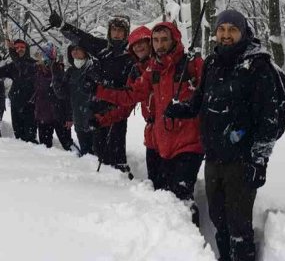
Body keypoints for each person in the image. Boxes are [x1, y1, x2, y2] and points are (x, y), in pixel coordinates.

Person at [165, 10, 285, 261]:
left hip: (241, 162)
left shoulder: (257, 66)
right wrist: (181, 109)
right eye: (221, 29)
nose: (225, 34)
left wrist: (259, 161)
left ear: (243, 32)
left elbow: (268, 121)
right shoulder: (212, 62)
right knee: (218, 219)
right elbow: (200, 101)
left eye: (232, 30)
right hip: (213, 158)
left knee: (239, 226)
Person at [95, 21, 203, 223]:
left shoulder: (190, 64)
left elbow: (211, 94)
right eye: (156, 41)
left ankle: (192, 244)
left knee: (181, 196)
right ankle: (169, 235)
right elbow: (129, 98)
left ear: (174, 40)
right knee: (161, 194)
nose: (159, 45)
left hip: (187, 140)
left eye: (164, 40)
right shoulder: (150, 70)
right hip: (158, 140)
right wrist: (99, 96)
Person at [50, 11, 135, 175]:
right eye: (114, 30)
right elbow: (82, 38)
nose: (117, 34)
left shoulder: (131, 56)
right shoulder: (103, 49)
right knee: (99, 152)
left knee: (116, 153)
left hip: (117, 111)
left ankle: (122, 182)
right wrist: (62, 26)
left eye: (120, 31)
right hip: (97, 111)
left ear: (126, 33)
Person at [93, 26, 157, 182]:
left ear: (151, 44)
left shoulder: (160, 66)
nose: (139, 47)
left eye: (143, 42)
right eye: (135, 44)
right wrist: (103, 119)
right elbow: (126, 104)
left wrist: (101, 91)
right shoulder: (136, 70)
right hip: (152, 133)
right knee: (157, 182)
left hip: (174, 131)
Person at [0, 39, 38, 142]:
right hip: (15, 103)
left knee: (30, 137)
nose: (19, 50)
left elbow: (23, 68)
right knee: (18, 136)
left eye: (22, 47)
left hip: (30, 105)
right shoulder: (13, 65)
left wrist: (12, 52)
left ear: (26, 49)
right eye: (17, 48)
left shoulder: (33, 64)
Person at [34, 43, 73, 150]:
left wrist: (69, 117)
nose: (45, 60)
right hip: (43, 116)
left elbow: (66, 97)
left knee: (68, 146)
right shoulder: (36, 72)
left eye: (49, 56)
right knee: (45, 148)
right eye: (43, 56)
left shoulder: (60, 72)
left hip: (60, 117)